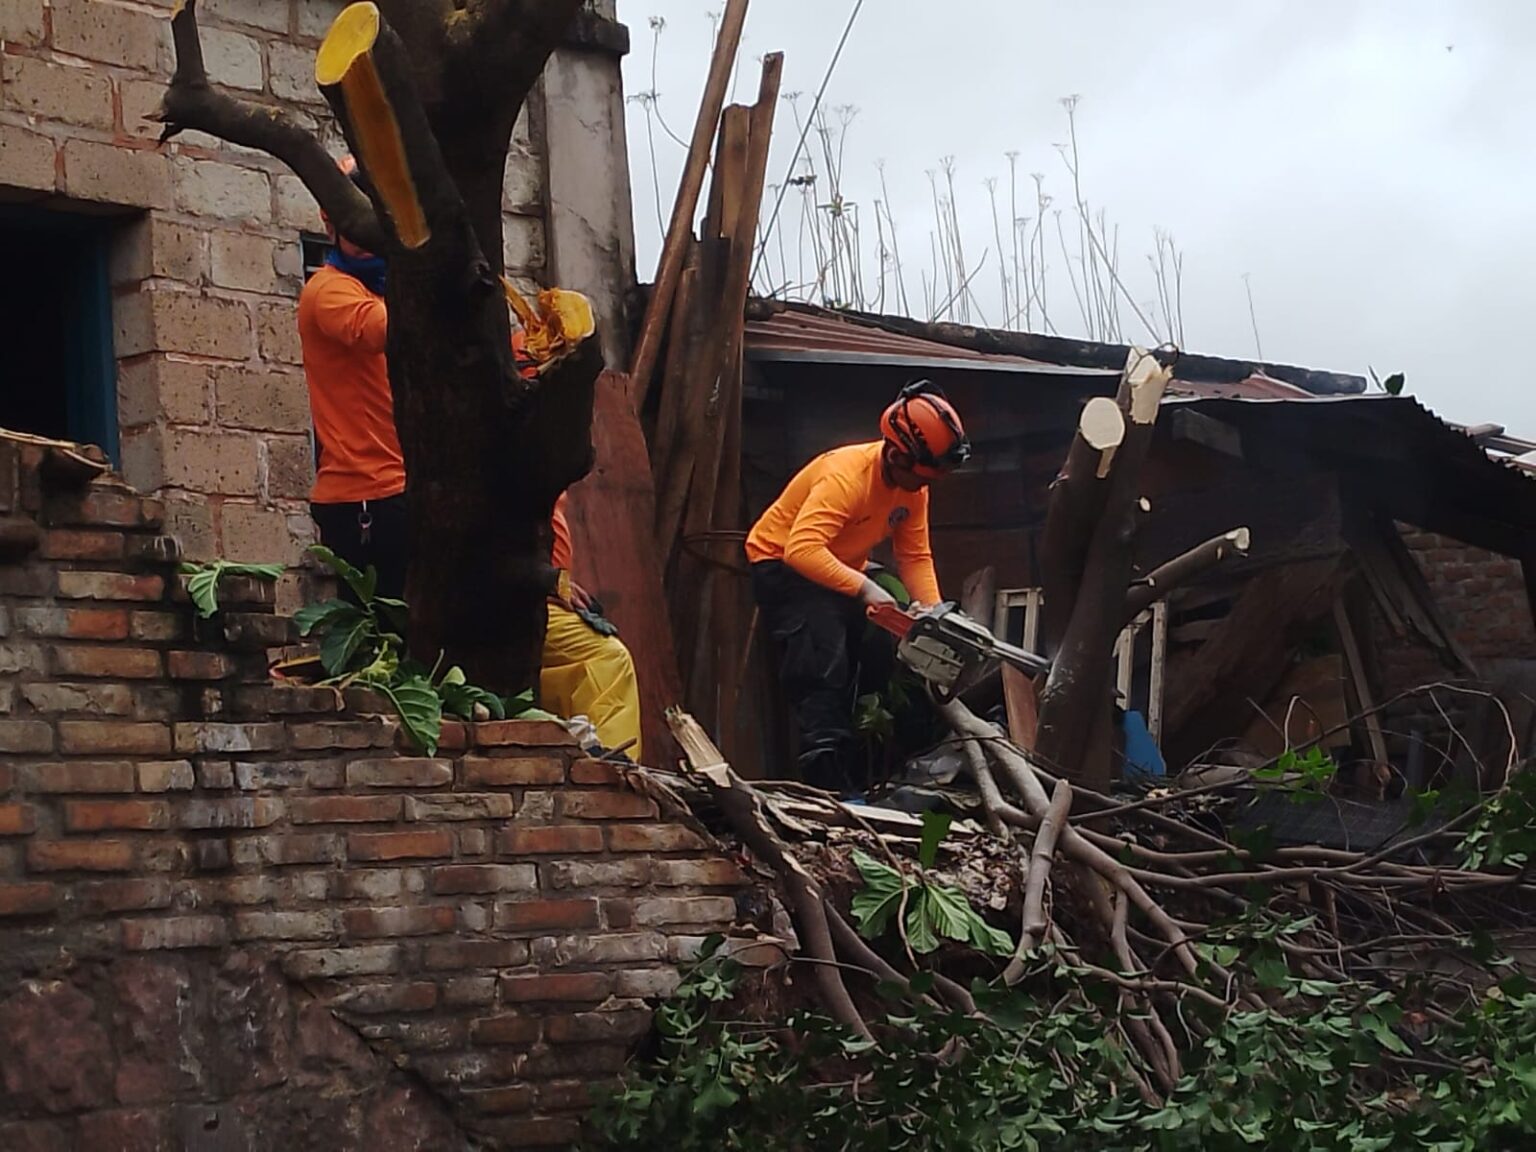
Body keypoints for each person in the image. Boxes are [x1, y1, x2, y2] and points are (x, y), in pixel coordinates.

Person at [744, 380, 971, 793]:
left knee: (886, 649)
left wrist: (932, 612)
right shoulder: (845, 478)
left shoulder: (912, 487)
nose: (925, 485)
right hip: (783, 564)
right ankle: (827, 783)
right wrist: (866, 589)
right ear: (897, 453)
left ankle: (892, 764)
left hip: (844, 564)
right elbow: (802, 550)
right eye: (922, 475)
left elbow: (915, 555)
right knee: (822, 660)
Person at [298, 156, 407, 600]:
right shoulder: (328, 289)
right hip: (365, 496)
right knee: (383, 637)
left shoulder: (377, 283)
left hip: (400, 486)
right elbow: (379, 328)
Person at [539, 490, 644, 762]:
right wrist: (546, 580)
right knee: (607, 657)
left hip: (532, 595)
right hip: (506, 600)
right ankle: (610, 768)